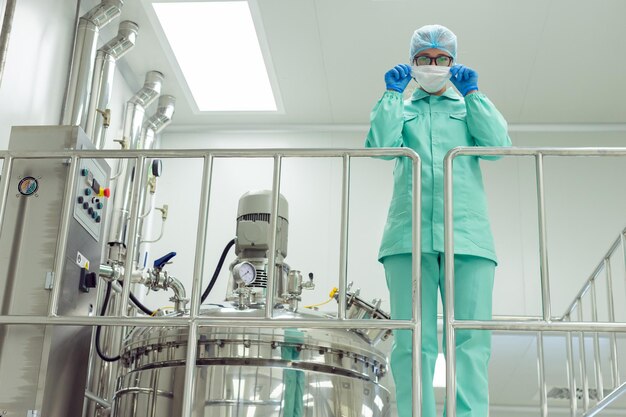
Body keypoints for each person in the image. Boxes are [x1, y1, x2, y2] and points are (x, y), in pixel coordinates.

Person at [365, 24, 511, 417]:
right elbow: (379, 148)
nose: (432, 65)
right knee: (414, 342)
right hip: (407, 237)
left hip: (468, 236)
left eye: (440, 59)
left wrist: (475, 95)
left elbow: (499, 147)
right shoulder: (400, 108)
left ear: (453, 62)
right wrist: (391, 95)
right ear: (412, 63)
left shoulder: (468, 107)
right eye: (424, 59)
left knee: (470, 341)